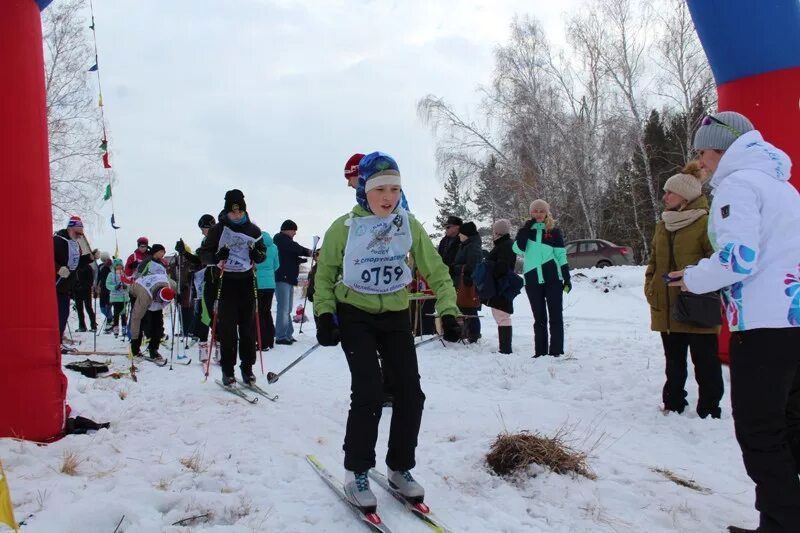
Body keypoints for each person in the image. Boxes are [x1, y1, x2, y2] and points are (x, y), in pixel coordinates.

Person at [668, 111, 800, 533]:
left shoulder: (739, 186)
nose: (701, 162)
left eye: (703, 153)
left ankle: (783, 524)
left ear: (721, 148)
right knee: (791, 425)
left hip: (762, 327)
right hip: (793, 319)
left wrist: (691, 278)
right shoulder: (782, 186)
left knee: (760, 432)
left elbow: (738, 259)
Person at [314, 151, 462, 512]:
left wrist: (449, 309)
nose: (389, 196)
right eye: (381, 188)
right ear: (365, 189)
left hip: (394, 313)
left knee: (411, 393)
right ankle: (357, 470)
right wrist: (324, 315)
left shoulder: (407, 224)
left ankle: (400, 467)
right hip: (355, 314)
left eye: (395, 188)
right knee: (368, 390)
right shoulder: (343, 228)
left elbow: (435, 268)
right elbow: (325, 274)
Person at [645, 162, 723, 418]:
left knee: (706, 364)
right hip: (666, 305)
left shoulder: (706, 223)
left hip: (697, 305)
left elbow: (716, 261)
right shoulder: (663, 224)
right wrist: (651, 287)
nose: (665, 197)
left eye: (670, 192)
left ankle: (709, 410)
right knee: (674, 363)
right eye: (665, 192)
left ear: (686, 196)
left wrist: (694, 280)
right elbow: (654, 263)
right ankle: (673, 403)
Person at [197, 189, 267, 385]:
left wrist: (259, 255)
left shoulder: (253, 230)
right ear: (227, 211)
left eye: (240, 212)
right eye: (233, 212)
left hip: (246, 282)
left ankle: (247, 368)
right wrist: (216, 257)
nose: (237, 215)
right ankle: (228, 370)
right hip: (225, 283)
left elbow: (262, 252)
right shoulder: (218, 229)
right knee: (227, 330)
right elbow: (204, 255)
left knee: (248, 329)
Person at [513, 199, 570, 357]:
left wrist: (566, 276)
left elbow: (560, 254)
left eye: (541, 211)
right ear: (531, 212)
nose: (538, 214)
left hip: (553, 278)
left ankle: (556, 352)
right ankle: (540, 352)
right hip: (532, 280)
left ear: (546, 213)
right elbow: (518, 248)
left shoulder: (553, 231)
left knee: (555, 316)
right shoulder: (526, 230)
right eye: (535, 211)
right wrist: (524, 230)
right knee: (539, 318)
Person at [53, 216, 94, 345]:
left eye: (81, 234)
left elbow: (76, 264)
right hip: (54, 285)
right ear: (70, 228)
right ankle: (55, 341)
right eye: (77, 233)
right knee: (58, 315)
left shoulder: (75, 243)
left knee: (64, 314)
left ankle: (58, 339)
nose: (79, 236)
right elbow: (45, 257)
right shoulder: (57, 241)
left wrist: (90, 258)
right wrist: (58, 269)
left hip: (66, 286)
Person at [273, 220, 312, 345]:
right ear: (287, 229)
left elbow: (288, 256)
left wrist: (299, 260)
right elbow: (295, 248)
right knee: (283, 308)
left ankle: (287, 334)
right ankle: (281, 336)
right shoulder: (280, 239)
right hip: (282, 278)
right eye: (294, 230)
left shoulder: (285, 243)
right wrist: (309, 252)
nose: (295, 233)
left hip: (288, 278)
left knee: (287, 308)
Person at [482, 219, 518, 354]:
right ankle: (504, 348)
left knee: (502, 315)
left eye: (493, 231)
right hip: (500, 284)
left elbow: (502, 266)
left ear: (497, 232)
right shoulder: (504, 244)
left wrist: (491, 272)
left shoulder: (505, 245)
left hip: (502, 285)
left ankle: (505, 349)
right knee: (501, 314)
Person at [129, 272, 177, 362]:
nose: (162, 304)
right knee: (141, 321)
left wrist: (178, 296)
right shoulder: (145, 296)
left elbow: (176, 287)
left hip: (156, 287)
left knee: (158, 324)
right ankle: (135, 349)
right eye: (161, 301)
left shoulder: (172, 285)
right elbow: (136, 319)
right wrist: (134, 338)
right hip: (137, 291)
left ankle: (153, 350)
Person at [452, 221, 483, 343]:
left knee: (470, 309)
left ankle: (474, 334)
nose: (459, 235)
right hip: (462, 281)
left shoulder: (473, 246)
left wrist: (456, 268)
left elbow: (472, 266)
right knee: (465, 308)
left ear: (467, 234)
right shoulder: (466, 245)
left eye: (461, 233)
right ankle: (467, 332)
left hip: (468, 283)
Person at [255, 231, 280, 349]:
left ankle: (262, 342)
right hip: (270, 283)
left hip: (258, 283)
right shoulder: (274, 247)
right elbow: (277, 265)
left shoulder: (255, 246)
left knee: (259, 313)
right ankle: (270, 340)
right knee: (267, 311)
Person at [106, 258, 130, 337]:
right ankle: (116, 329)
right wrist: (115, 287)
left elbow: (129, 283)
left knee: (124, 314)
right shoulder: (111, 274)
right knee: (116, 314)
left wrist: (127, 286)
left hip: (124, 297)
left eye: (120, 265)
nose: (119, 267)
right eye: (117, 266)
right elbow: (108, 284)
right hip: (115, 298)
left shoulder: (125, 274)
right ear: (114, 266)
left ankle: (124, 329)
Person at [73, 257, 97, 333]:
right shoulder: (75, 267)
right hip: (77, 291)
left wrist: (83, 287)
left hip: (86, 290)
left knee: (88, 308)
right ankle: (82, 326)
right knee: (79, 309)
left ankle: (93, 325)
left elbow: (90, 280)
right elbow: (73, 279)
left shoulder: (88, 267)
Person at [96, 251, 113, 331]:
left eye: (106, 259)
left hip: (110, 289)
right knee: (102, 308)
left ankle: (110, 323)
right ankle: (111, 319)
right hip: (103, 289)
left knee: (108, 306)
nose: (105, 261)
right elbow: (98, 277)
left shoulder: (112, 266)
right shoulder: (100, 266)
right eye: (103, 259)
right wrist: (96, 286)